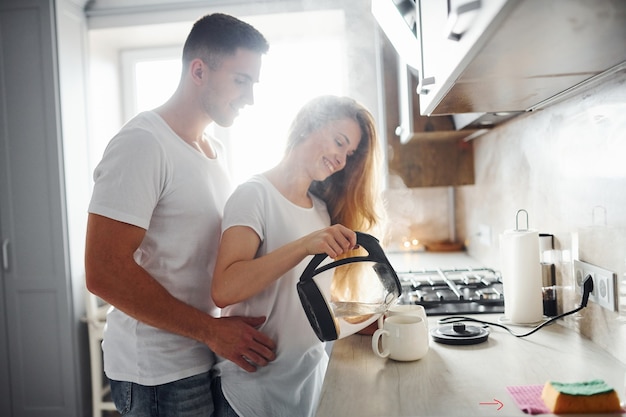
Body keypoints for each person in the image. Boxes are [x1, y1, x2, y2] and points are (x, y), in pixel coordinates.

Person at [84, 13, 276, 417]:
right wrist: (211, 331)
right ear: (199, 71)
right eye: (241, 81)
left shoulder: (213, 152)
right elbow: (103, 271)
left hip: (203, 356)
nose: (251, 98)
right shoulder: (143, 143)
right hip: (156, 373)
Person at [211, 95, 383, 417]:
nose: (342, 160)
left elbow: (301, 300)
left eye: (348, 153)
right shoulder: (254, 195)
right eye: (339, 142)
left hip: (306, 387)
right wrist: (304, 245)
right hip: (251, 393)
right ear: (310, 124)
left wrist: (362, 320)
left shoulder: (320, 210)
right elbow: (224, 289)